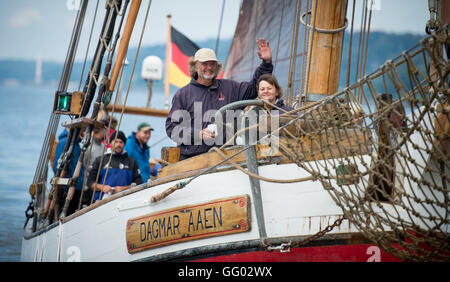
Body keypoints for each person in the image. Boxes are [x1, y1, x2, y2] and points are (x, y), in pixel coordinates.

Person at [166, 38, 274, 160]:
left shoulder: (230, 87)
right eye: (204, 64)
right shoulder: (183, 94)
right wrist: (197, 134)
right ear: (195, 66)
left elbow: (254, 88)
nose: (209, 67)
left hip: (226, 158)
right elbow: (171, 128)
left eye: (212, 64)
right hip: (193, 160)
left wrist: (266, 63)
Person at [87, 130, 142, 201]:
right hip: (101, 201)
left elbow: (138, 182)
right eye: (116, 142)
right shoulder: (100, 160)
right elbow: (90, 182)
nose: (118, 145)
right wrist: (102, 187)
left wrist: (124, 189)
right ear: (110, 143)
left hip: (125, 200)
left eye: (121, 142)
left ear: (124, 144)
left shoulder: (132, 162)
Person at [52, 128, 85, 216]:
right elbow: (58, 167)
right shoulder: (64, 142)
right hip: (67, 189)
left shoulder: (76, 144)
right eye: (83, 128)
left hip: (75, 188)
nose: (84, 130)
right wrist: (65, 187)